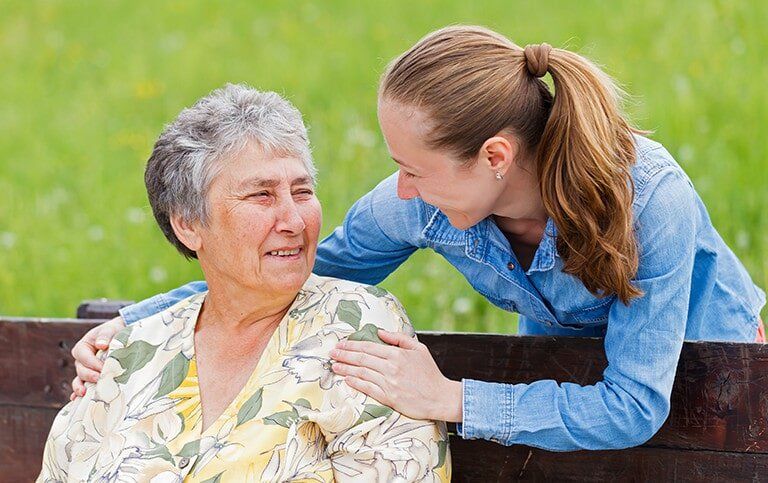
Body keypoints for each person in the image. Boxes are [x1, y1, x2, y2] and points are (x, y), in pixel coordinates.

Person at [70, 26, 765, 452]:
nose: (399, 189)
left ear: (495, 158)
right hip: (565, 378)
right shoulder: (423, 205)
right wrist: (138, 319)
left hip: (719, 381)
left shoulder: (648, 200)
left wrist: (452, 397)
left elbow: (635, 405)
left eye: (413, 169)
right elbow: (292, 272)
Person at [39, 84, 450, 482]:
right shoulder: (132, 352)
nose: (293, 222)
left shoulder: (356, 325)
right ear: (188, 225)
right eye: (262, 196)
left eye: (302, 191)